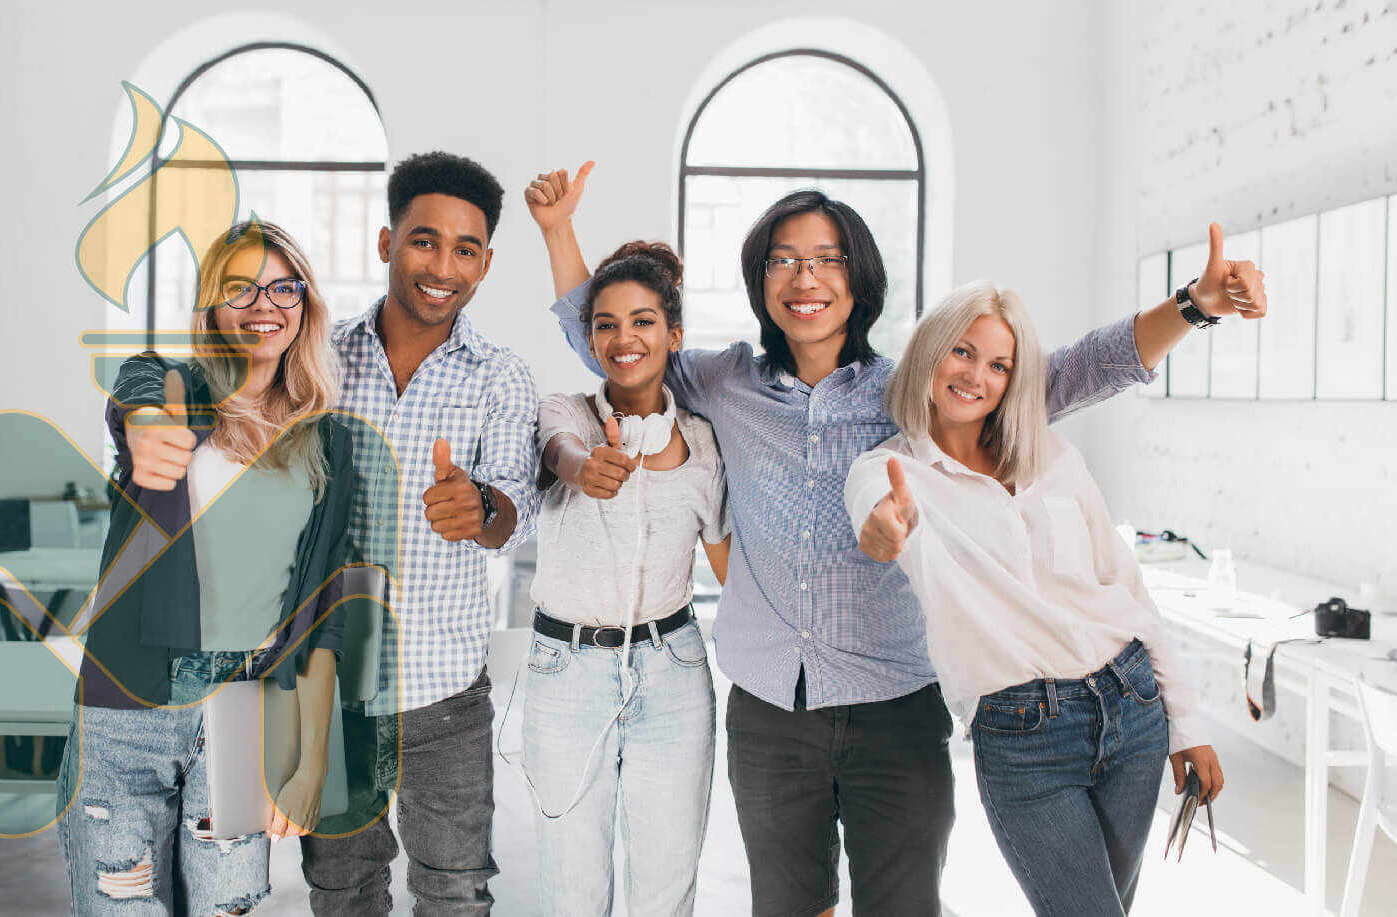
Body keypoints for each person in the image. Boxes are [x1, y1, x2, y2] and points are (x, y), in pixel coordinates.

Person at [529, 163, 1266, 916]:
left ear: (859, 279)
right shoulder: (724, 381)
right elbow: (617, 341)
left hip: (896, 705)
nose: (804, 276)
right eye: (783, 259)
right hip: (772, 710)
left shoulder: (914, 388)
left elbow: (1073, 373)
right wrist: (560, 233)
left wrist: (1191, 306)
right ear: (761, 282)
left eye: (826, 258)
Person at [843, 281, 1225, 916]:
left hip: (1133, 708)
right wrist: (885, 529)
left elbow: (1126, 588)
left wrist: (1187, 724)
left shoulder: (1052, 455)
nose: (976, 377)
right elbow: (877, 527)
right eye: (962, 352)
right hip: (1025, 734)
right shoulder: (890, 473)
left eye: (1000, 366)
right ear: (929, 353)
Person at [58, 220, 357, 915]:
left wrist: (311, 755)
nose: (265, 303)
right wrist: (139, 421)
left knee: (229, 907)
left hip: (249, 704)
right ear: (211, 310)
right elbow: (132, 379)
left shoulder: (327, 439)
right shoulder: (172, 394)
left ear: (306, 306)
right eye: (240, 287)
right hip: (127, 702)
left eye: (284, 286)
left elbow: (329, 607)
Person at [300, 151, 540, 917]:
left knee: (456, 892)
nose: (443, 265)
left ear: (487, 263)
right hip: (331, 689)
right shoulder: (318, 361)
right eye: (424, 240)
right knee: (341, 889)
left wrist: (481, 507)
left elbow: (514, 505)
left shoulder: (499, 376)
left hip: (447, 697)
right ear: (386, 243)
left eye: (466, 249)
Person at [516, 228, 731, 915]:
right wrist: (589, 468)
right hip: (565, 673)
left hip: (673, 673)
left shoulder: (702, 445)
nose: (623, 337)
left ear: (673, 334)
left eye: (643, 321)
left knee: (667, 886)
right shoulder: (566, 413)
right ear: (589, 339)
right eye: (605, 324)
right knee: (571, 886)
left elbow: (731, 570)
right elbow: (560, 453)